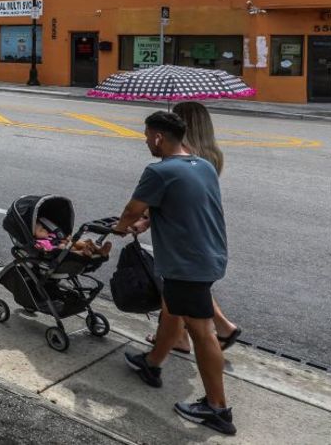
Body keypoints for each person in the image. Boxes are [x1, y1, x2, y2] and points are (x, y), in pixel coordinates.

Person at [113, 111, 236, 436]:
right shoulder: (203, 165)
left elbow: (131, 209)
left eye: (146, 136)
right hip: (209, 256)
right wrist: (148, 221)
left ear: (158, 138)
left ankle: (217, 408)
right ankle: (152, 364)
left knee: (201, 333)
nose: (144, 141)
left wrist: (123, 227)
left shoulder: (159, 170)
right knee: (171, 311)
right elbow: (183, 203)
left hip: (186, 265)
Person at [141, 101, 241, 353]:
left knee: (176, 291)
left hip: (182, 236)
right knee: (190, 289)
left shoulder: (187, 158)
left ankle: (176, 341)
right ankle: (220, 329)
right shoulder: (210, 155)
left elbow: (173, 197)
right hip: (204, 232)